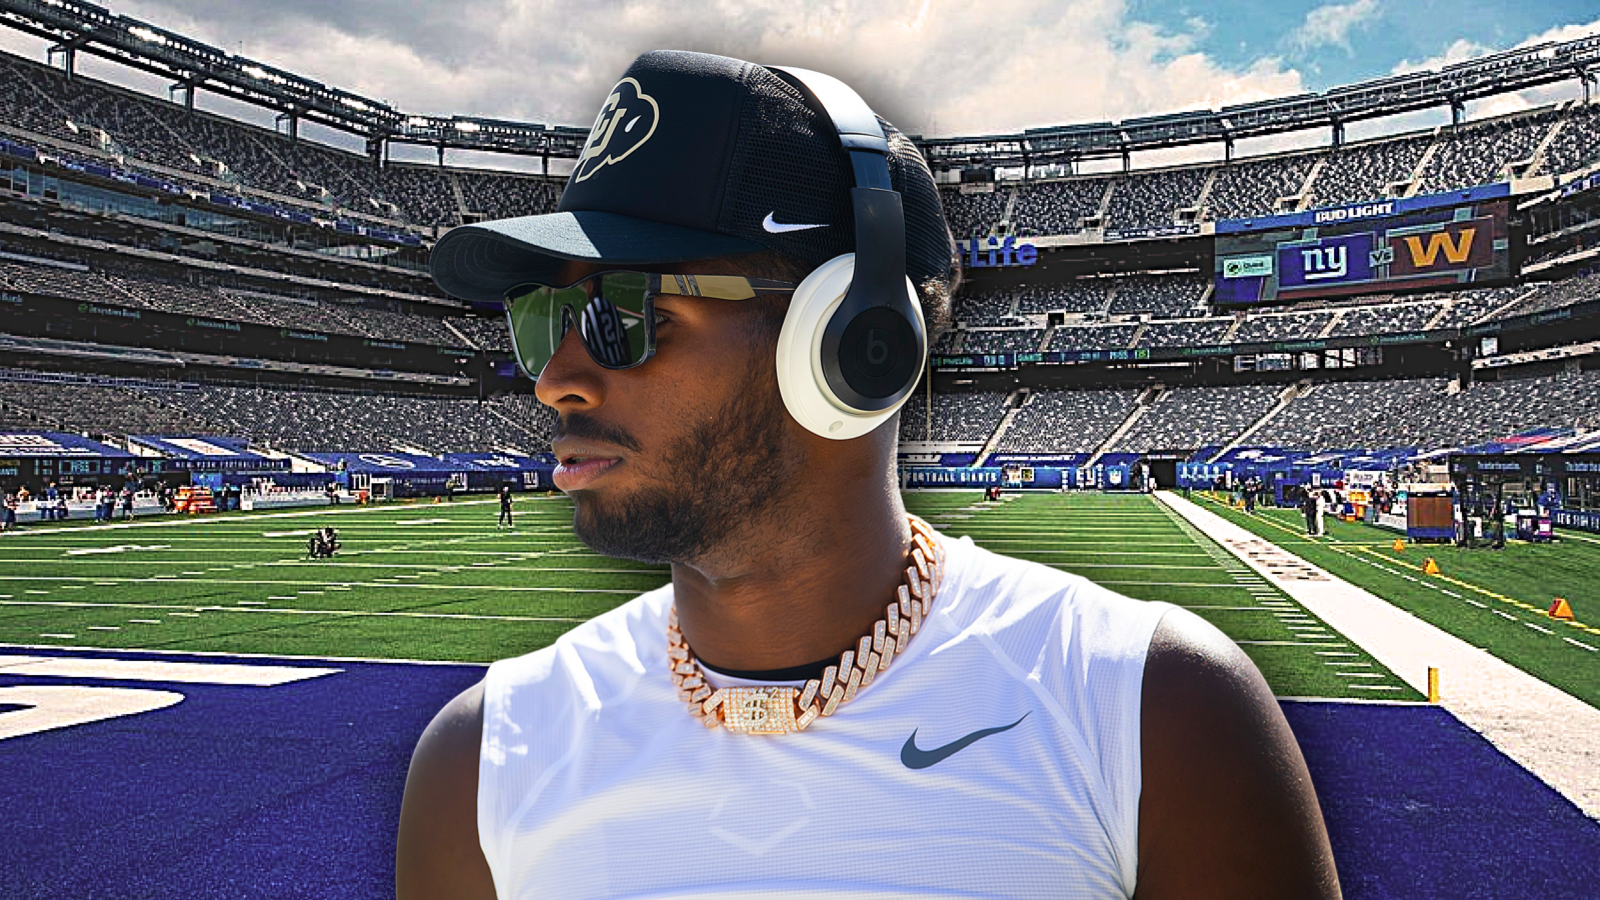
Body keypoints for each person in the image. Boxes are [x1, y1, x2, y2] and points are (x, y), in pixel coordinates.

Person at [399, 50, 1337, 900]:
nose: (558, 378)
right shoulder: (486, 756)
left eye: (624, 314)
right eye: (538, 318)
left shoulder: (1151, 713)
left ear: (852, 339)